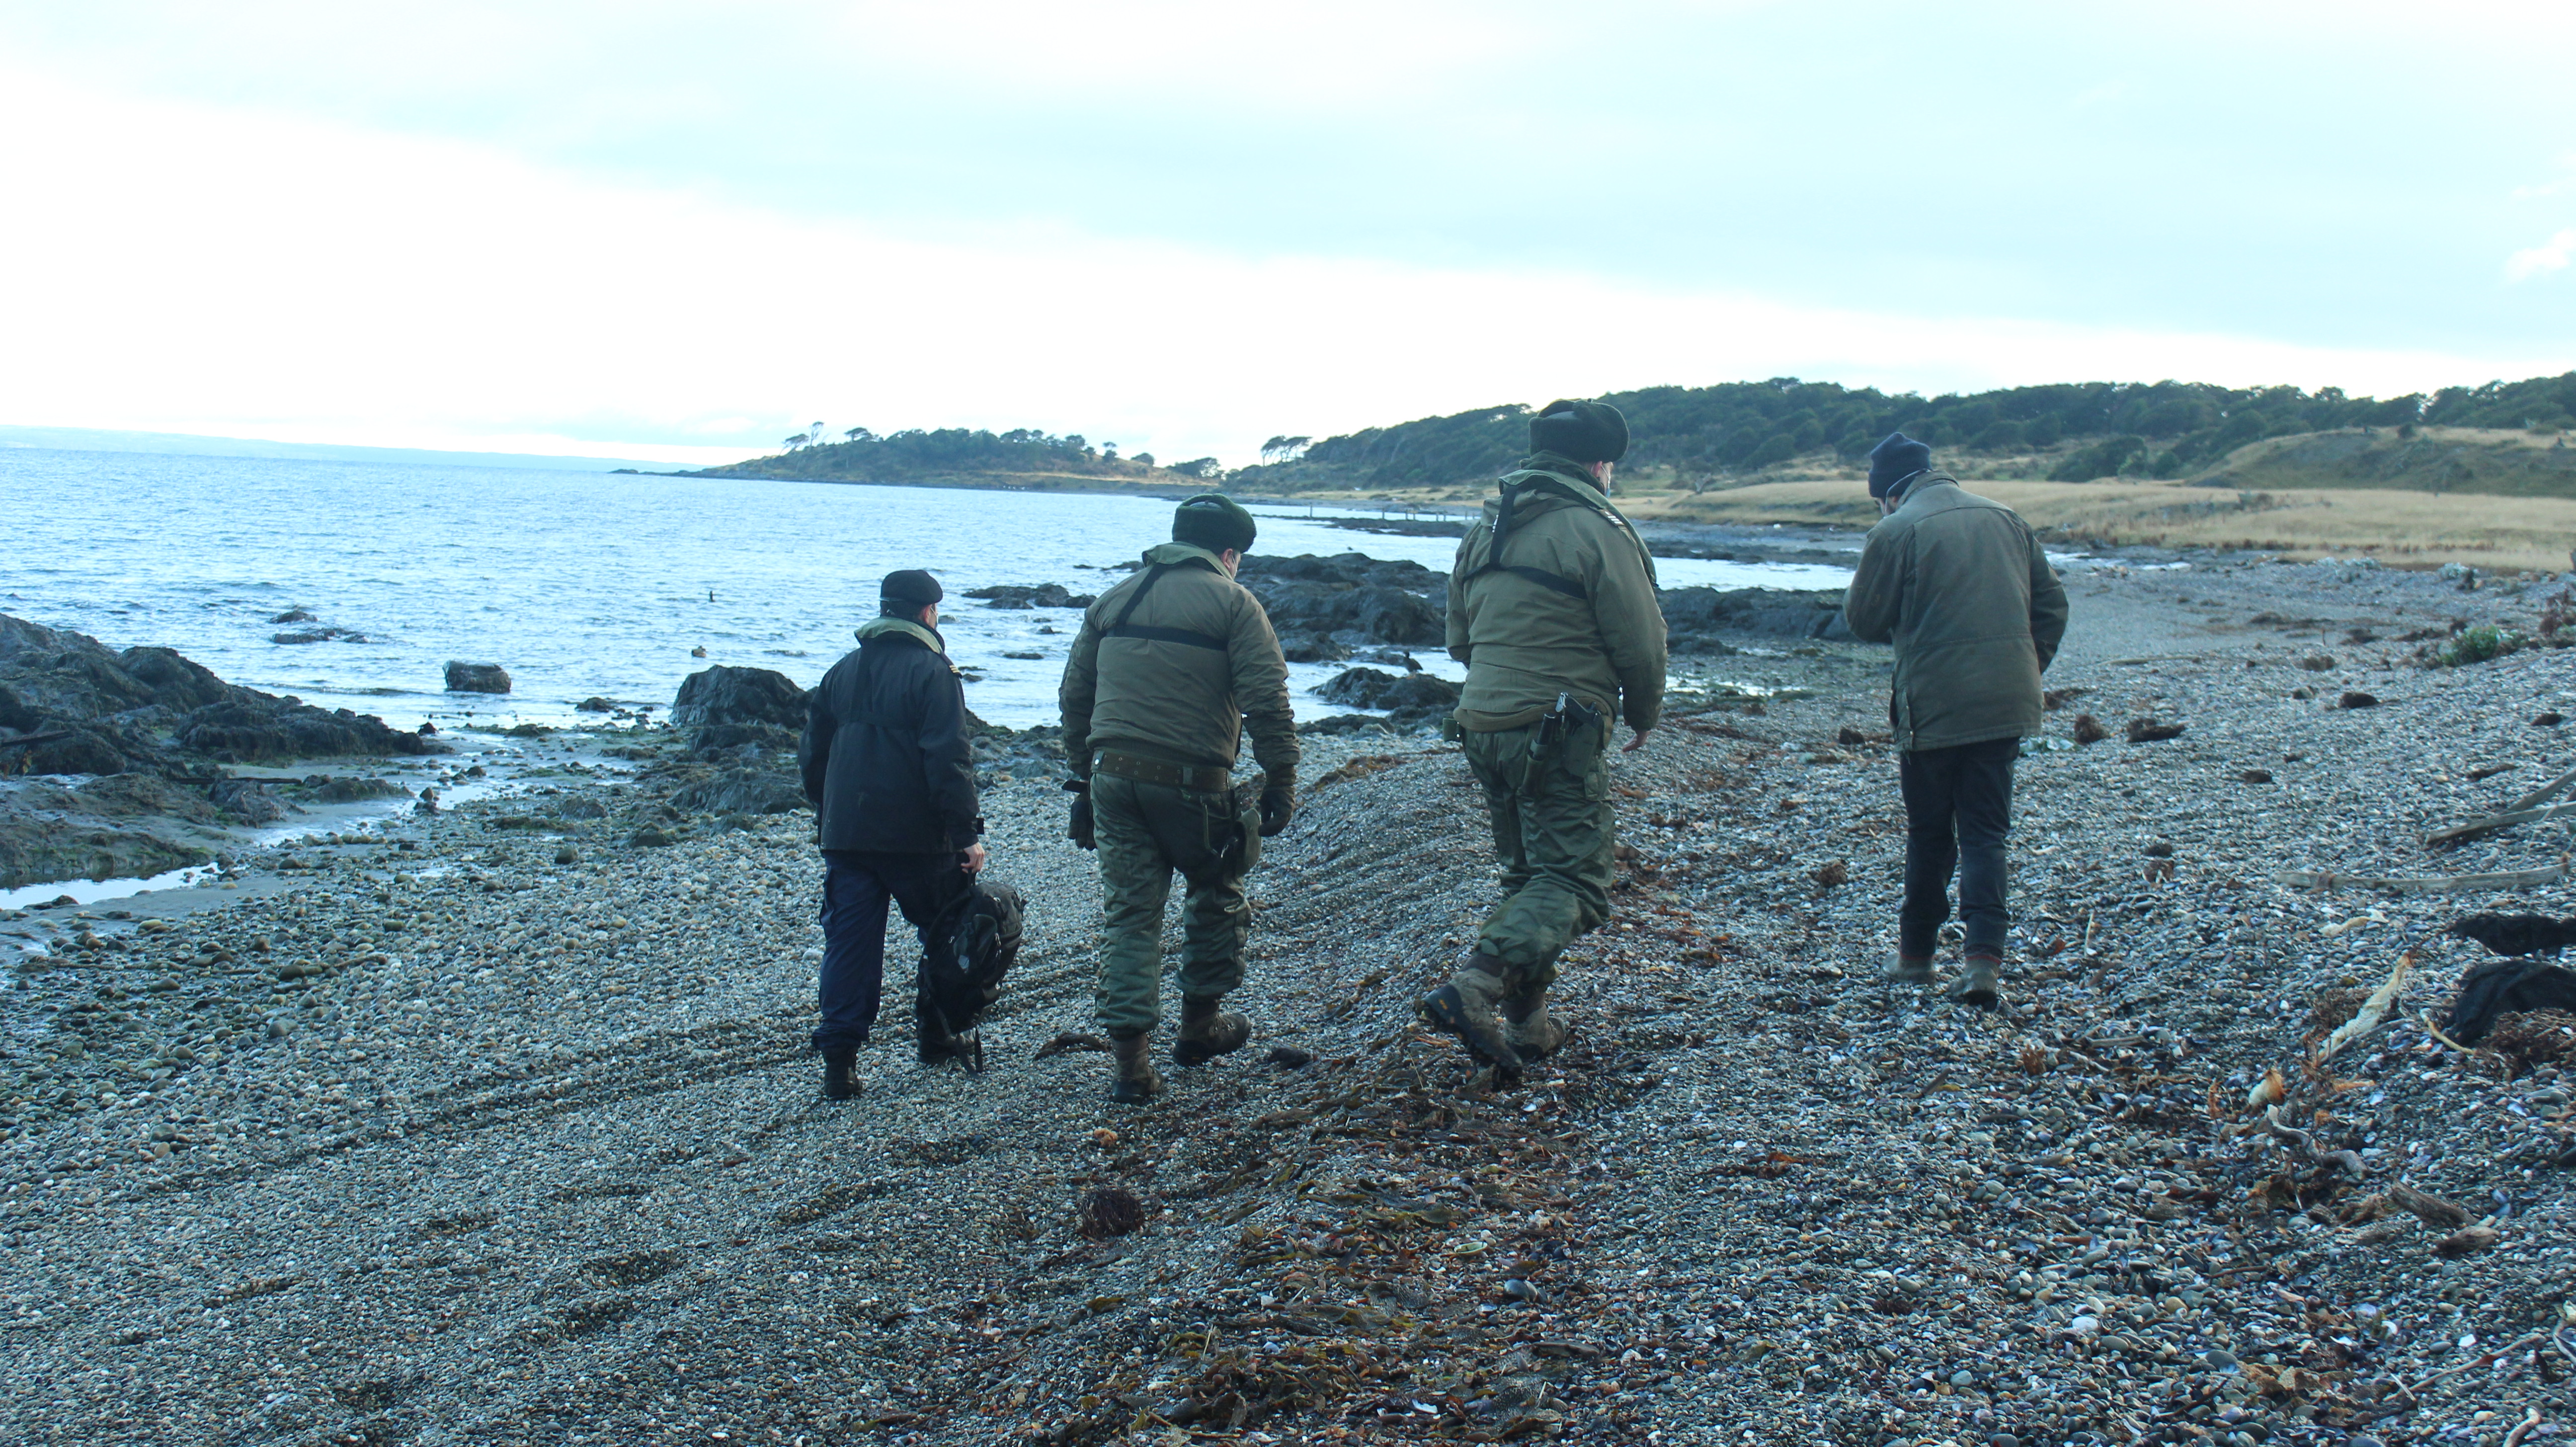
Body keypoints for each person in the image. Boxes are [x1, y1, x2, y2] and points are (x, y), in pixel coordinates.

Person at [1418, 400, 1667, 1080]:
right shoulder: (1598, 529)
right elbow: (1641, 644)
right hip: (1558, 729)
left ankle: (1529, 1024)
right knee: (1577, 882)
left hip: (1481, 723)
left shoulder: (1487, 528)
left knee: (1528, 874)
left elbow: (1459, 639)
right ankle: (1475, 987)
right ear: (1601, 465)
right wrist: (1645, 711)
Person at [1058, 494, 1298, 1103]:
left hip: (1112, 778)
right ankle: (1199, 1028)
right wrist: (1281, 781)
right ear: (1228, 553)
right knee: (1218, 888)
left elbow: (1074, 699)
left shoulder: (1116, 598)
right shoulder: (1236, 604)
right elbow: (1267, 702)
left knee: (1131, 915)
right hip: (1193, 783)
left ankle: (1131, 1068)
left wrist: (1083, 781)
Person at [1841, 433, 2069, 1007]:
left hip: (1933, 705)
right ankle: (1983, 963)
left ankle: (1916, 957)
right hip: (2006, 702)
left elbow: (1864, 621)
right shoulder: (2008, 519)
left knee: (1930, 833)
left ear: (1888, 493)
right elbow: (2052, 607)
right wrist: (2026, 666)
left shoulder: (1896, 530)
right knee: (1987, 833)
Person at [798, 568, 987, 1099]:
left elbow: (812, 756)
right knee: (951, 930)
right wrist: (965, 835)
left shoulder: (842, 670)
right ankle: (937, 1034)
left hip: (847, 835)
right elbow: (949, 760)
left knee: (850, 945)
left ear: (885, 609)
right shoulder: (934, 672)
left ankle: (840, 1062)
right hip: (915, 839)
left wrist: (828, 813)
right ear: (929, 613)